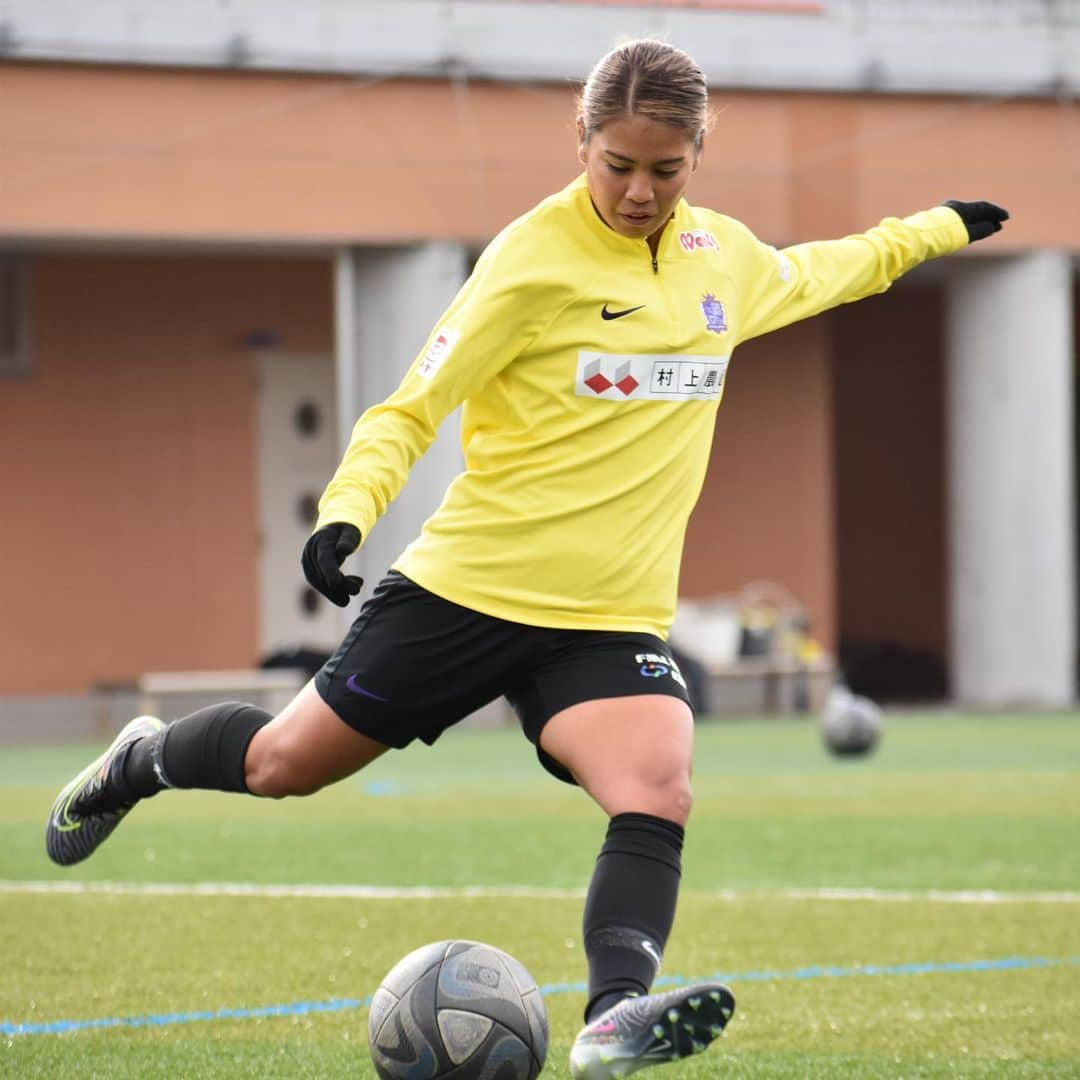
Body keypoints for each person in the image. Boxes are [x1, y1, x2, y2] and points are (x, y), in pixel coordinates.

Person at [45, 38, 1008, 1079]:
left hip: (607, 618)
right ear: (583, 143)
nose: (640, 191)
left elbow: (831, 269)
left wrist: (938, 227)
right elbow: (415, 404)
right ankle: (142, 759)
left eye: (666, 170)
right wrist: (348, 512)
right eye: (619, 165)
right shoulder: (528, 259)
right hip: (468, 589)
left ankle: (613, 1019)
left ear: (697, 158)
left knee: (659, 785)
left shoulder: (722, 260)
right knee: (285, 766)